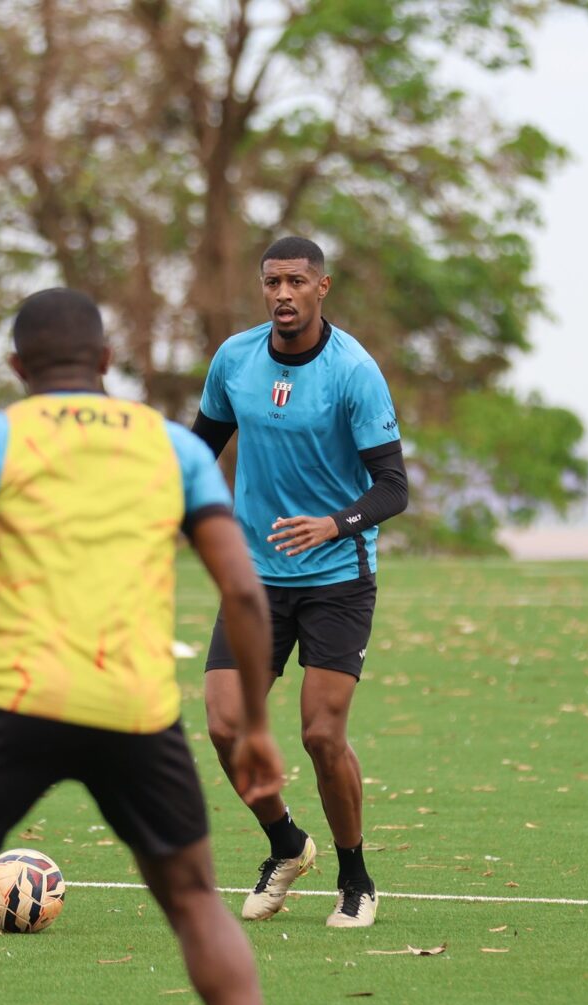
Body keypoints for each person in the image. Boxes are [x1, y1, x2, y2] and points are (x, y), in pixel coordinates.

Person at [0, 288, 284, 1005]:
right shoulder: (173, 446)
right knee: (194, 903)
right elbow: (245, 594)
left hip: (17, 704)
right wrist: (253, 724)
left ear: (16, 364)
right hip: (137, 711)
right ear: (106, 360)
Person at [192, 236, 408, 929]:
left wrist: (334, 524)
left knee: (320, 734)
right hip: (254, 576)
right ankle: (287, 844)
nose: (283, 294)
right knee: (225, 725)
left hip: (339, 576)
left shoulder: (354, 372)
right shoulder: (235, 360)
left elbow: (393, 488)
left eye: (296, 282)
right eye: (272, 282)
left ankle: (355, 875)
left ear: (323, 288)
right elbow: (198, 453)